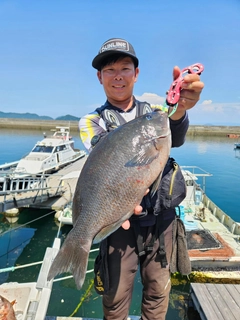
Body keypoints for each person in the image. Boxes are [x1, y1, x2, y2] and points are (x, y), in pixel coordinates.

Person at [79, 38, 204, 320]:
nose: (118, 75)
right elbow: (104, 158)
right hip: (119, 222)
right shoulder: (91, 121)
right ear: (100, 77)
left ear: (136, 74)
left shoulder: (154, 114)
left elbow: (175, 131)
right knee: (115, 297)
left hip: (161, 221)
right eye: (110, 70)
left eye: (125, 67)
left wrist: (182, 107)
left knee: (159, 292)